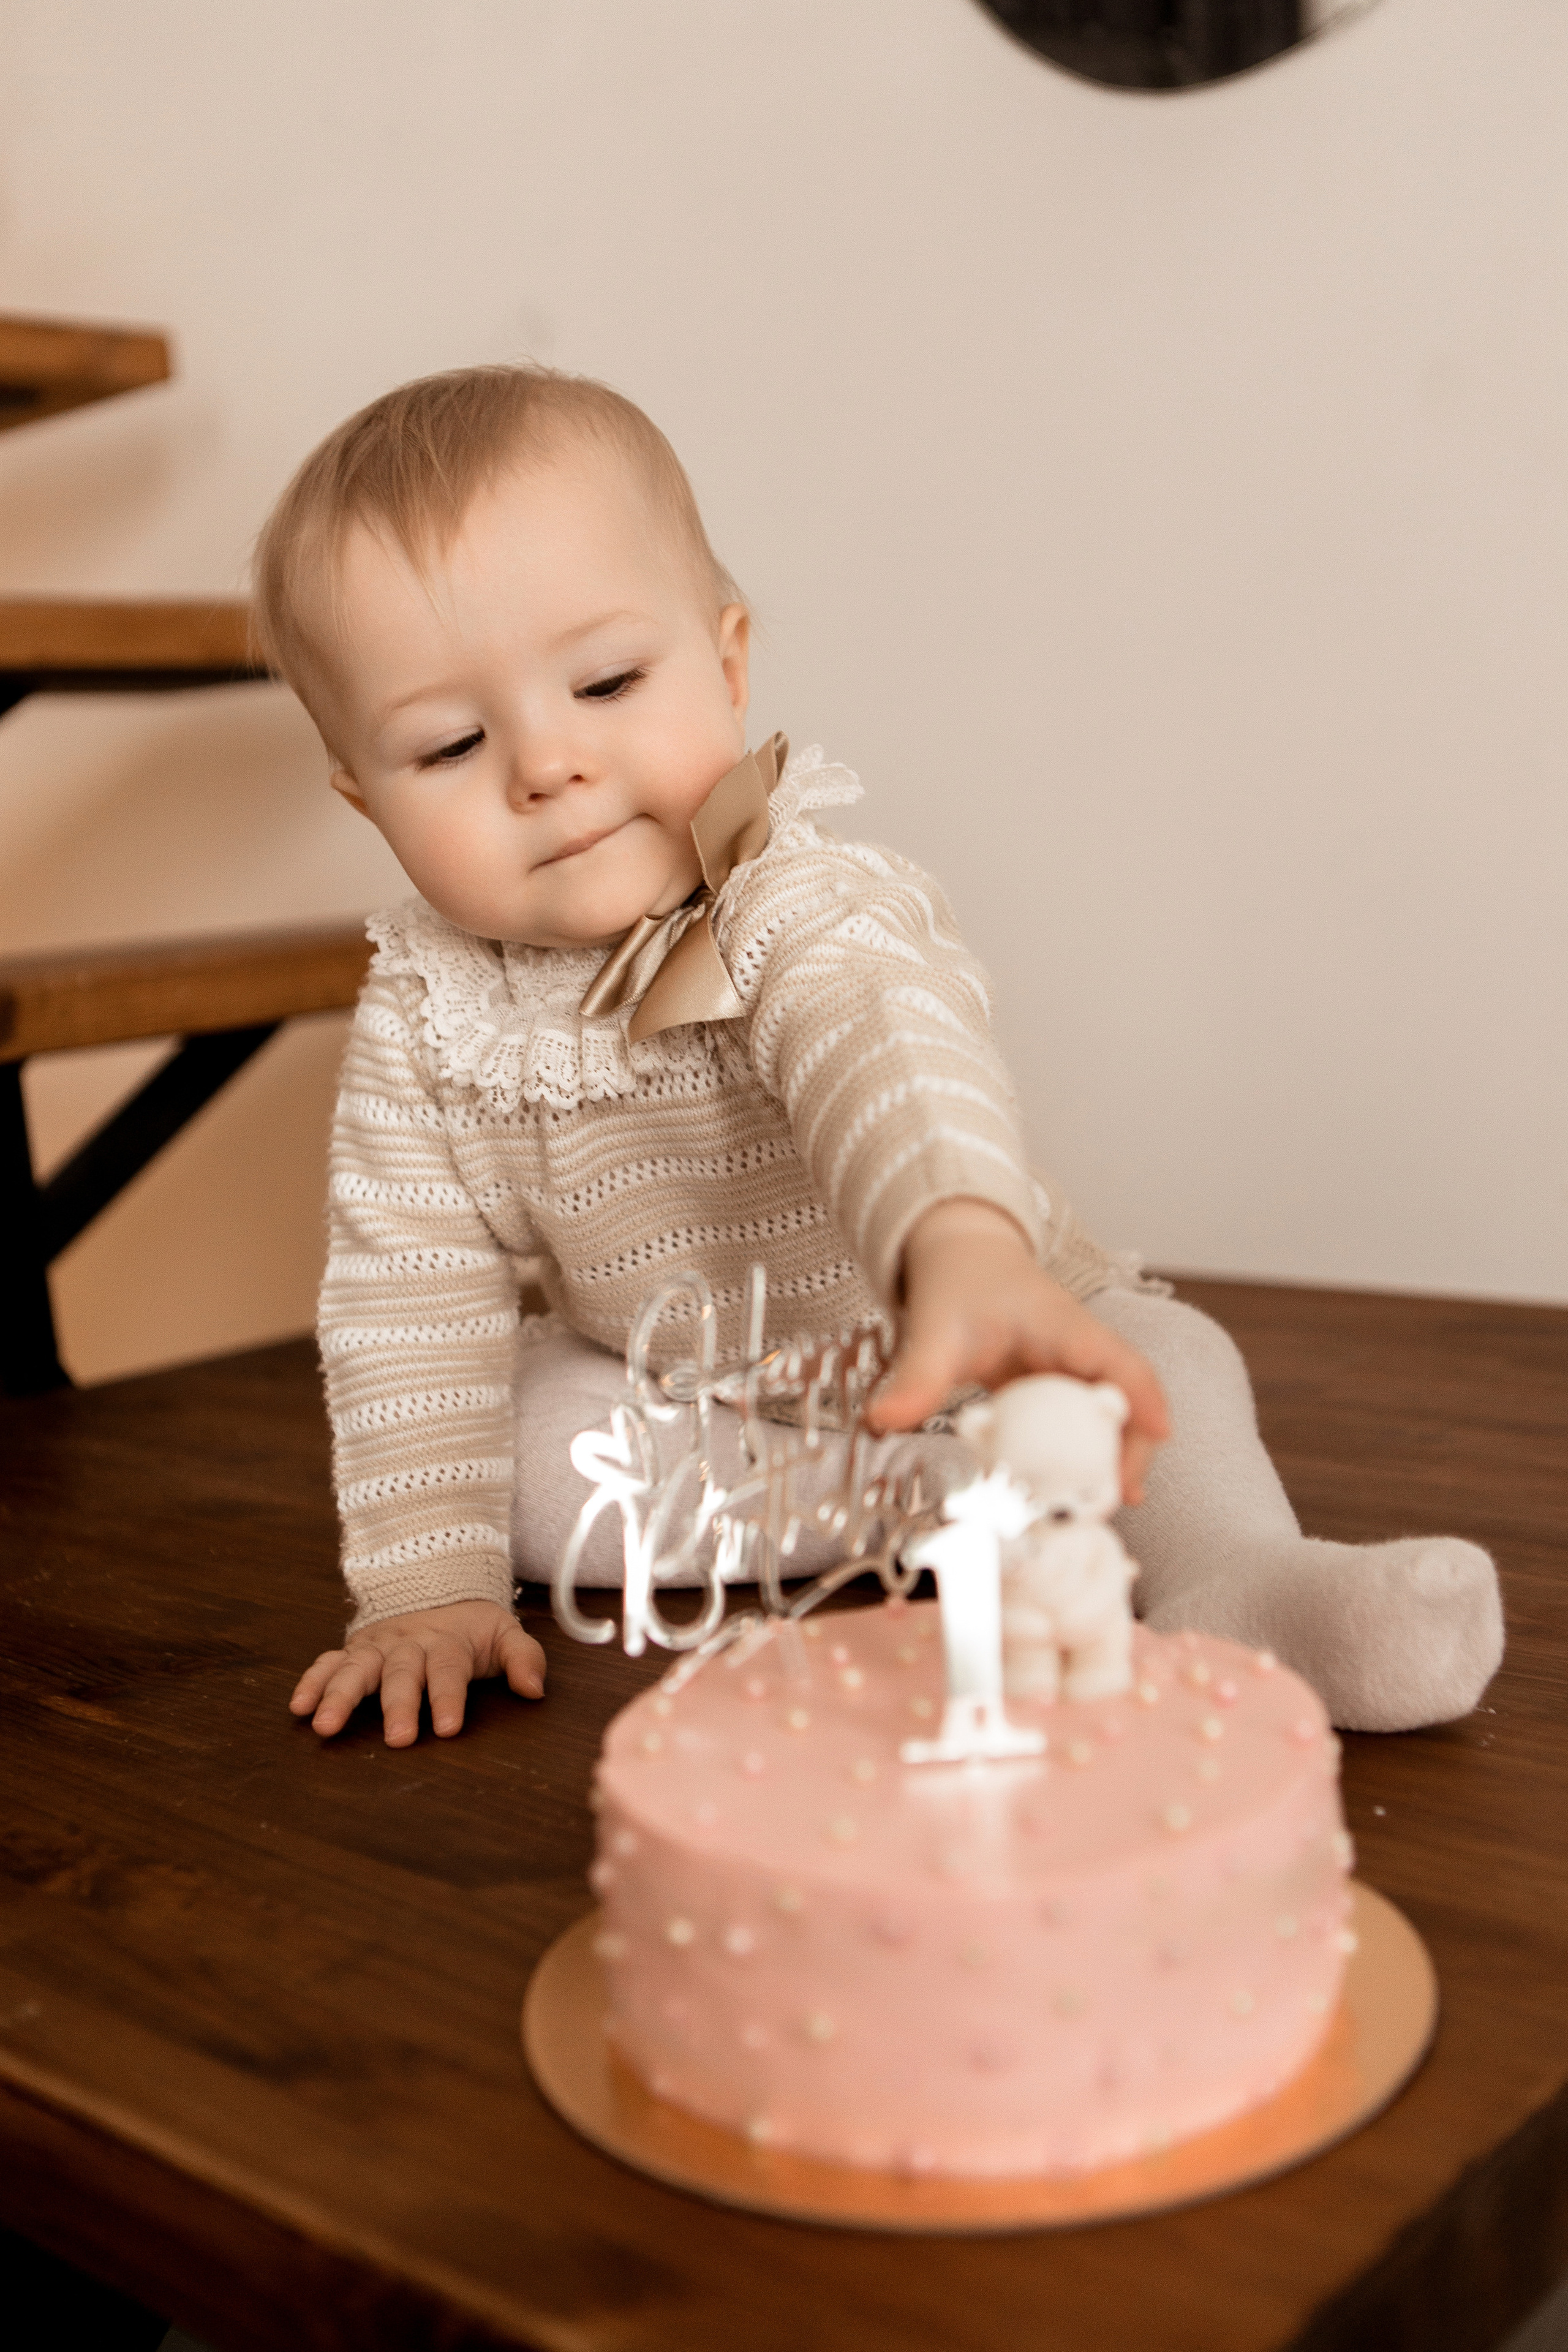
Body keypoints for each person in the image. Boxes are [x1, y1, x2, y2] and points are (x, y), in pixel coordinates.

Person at [256, 366, 1501, 1749]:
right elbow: (406, 1299)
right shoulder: (427, 1017)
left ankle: (1241, 1587)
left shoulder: (797, 898)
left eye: (606, 681)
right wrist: (424, 1587)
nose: (545, 764)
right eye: (448, 744)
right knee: (531, 1451)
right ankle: (954, 1497)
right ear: (365, 799)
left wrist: (957, 1246)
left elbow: (886, 1054)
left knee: (1168, 1359)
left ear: (726, 666)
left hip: (968, 1331)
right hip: (697, 1397)